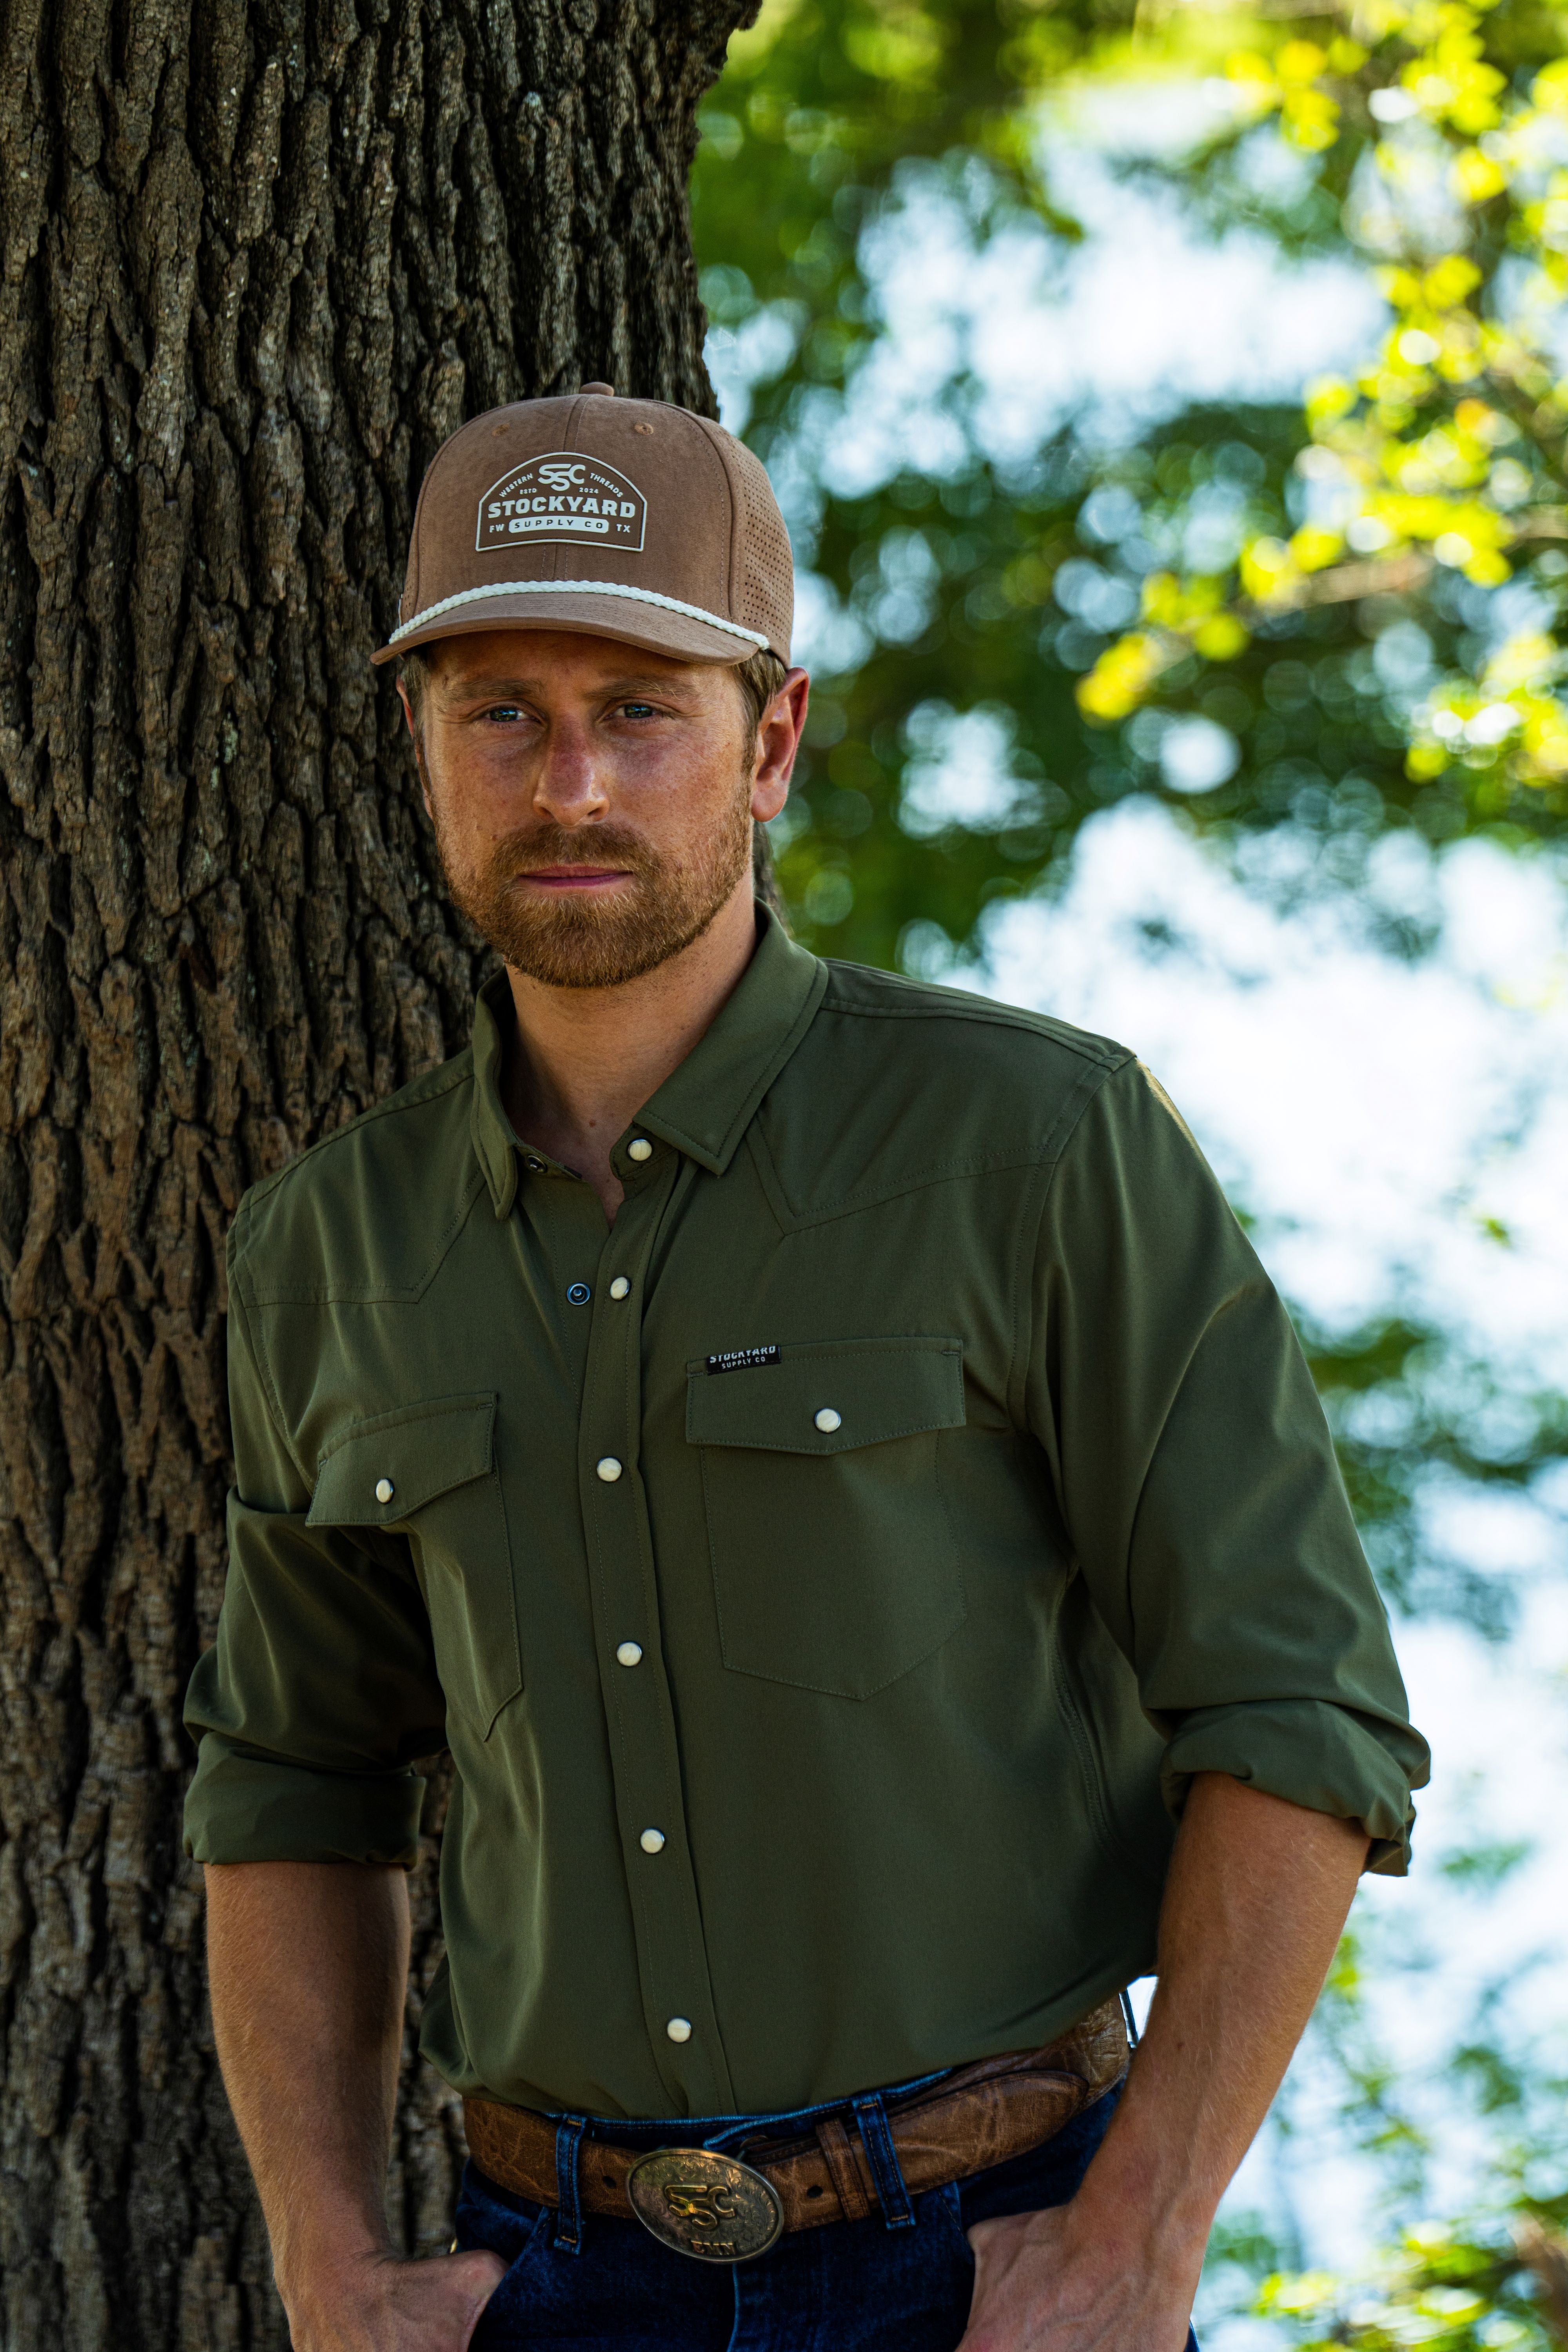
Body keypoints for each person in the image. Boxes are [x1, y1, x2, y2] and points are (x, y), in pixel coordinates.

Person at [183, 381, 1429, 2352]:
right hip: (551, 2278)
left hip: (993, 2259)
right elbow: (293, 1783)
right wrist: (328, 2269)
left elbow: (1297, 1707)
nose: (568, 784)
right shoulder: (323, 1252)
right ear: (421, 747)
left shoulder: (1036, 1142)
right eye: (499, 712)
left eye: (640, 709)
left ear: (768, 742)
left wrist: (1134, 2245)